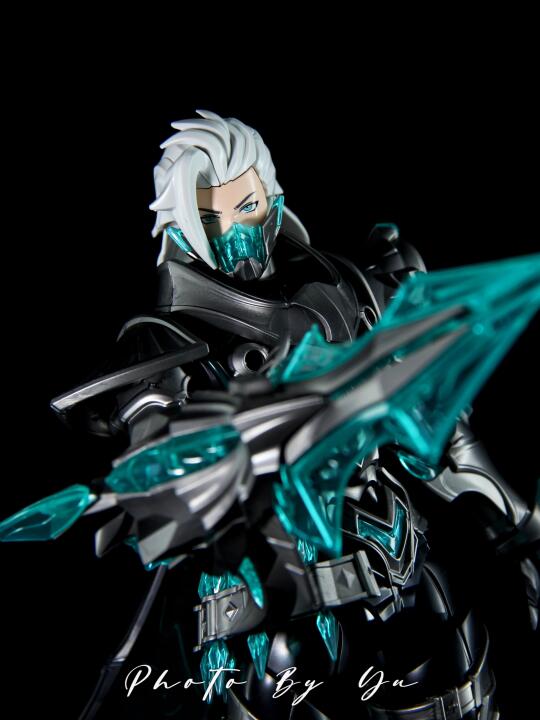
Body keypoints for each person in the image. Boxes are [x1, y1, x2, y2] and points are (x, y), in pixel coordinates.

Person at [2, 110, 538, 719]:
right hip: (272, 614)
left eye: (248, 204)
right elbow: (159, 474)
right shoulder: (164, 343)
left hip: (404, 571)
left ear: (272, 196)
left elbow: (438, 439)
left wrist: (519, 527)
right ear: (183, 224)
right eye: (213, 217)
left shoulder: (352, 293)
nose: (237, 231)